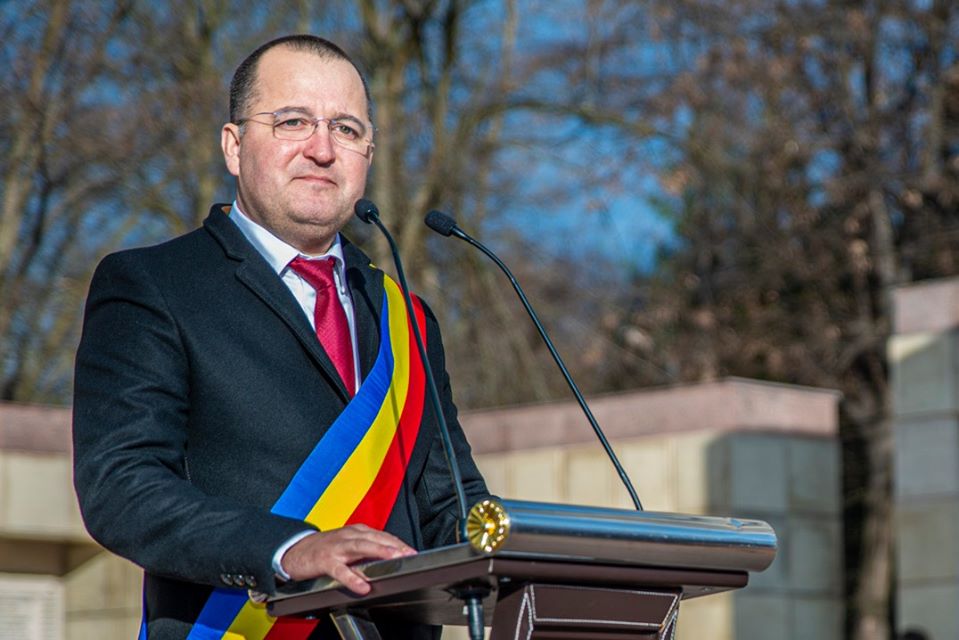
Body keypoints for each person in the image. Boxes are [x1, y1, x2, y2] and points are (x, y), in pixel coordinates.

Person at [72, 34, 488, 640]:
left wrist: (538, 555)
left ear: (368, 154)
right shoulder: (152, 284)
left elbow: (450, 505)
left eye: (346, 129)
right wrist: (287, 550)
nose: (322, 149)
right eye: (293, 121)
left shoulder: (409, 320)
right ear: (234, 145)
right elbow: (122, 486)